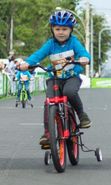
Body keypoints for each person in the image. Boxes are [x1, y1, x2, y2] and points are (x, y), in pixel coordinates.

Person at [19, 10, 92, 147]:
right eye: (57, 29)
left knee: (69, 92)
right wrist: (27, 63)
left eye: (65, 29)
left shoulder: (74, 42)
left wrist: (84, 58)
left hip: (71, 77)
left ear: (71, 30)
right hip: (55, 77)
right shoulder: (50, 44)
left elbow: (83, 52)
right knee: (49, 102)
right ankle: (48, 134)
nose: (61, 32)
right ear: (52, 29)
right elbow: (38, 55)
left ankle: (82, 115)